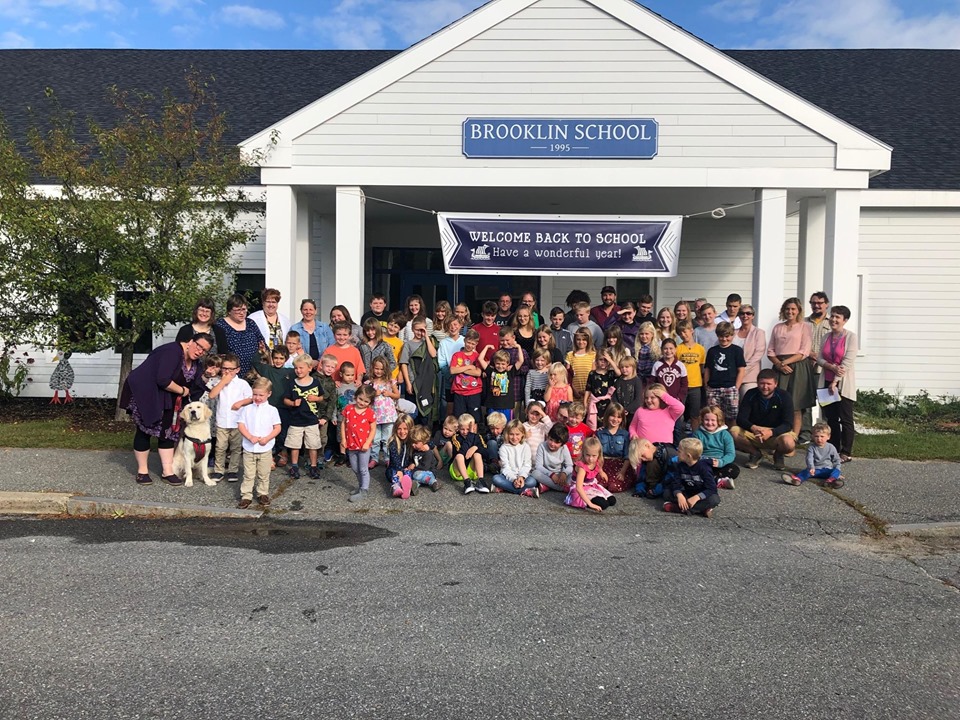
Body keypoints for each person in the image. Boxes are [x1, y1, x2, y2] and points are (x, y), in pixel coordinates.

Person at [120, 332, 212, 485]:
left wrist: (206, 378)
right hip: (147, 392)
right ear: (191, 341)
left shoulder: (196, 363)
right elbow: (162, 379)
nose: (199, 351)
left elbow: (195, 387)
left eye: (204, 350)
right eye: (198, 346)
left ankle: (167, 471)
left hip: (169, 396)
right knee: (145, 429)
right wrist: (182, 391)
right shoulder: (172, 352)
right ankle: (142, 471)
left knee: (168, 431)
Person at [815, 304, 858, 463]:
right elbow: (820, 358)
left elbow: (847, 362)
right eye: (832, 316)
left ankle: (846, 451)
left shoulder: (851, 337)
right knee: (831, 418)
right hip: (825, 381)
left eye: (837, 317)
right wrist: (830, 367)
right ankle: (833, 448)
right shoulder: (826, 337)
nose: (833, 319)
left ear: (845, 320)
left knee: (845, 418)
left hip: (843, 384)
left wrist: (835, 381)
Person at [767, 297, 815, 436]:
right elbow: (770, 350)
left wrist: (785, 363)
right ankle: (778, 434)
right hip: (779, 366)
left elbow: (804, 351)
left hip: (798, 366)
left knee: (796, 404)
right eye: (787, 309)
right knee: (778, 402)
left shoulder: (804, 327)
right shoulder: (778, 327)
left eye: (793, 309)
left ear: (798, 310)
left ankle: (794, 436)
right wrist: (779, 364)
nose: (790, 311)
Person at [732, 368, 797, 470]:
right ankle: (755, 453)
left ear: (775, 384)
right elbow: (741, 418)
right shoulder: (750, 394)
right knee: (733, 432)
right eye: (762, 383)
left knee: (789, 443)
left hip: (776, 432)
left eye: (769, 384)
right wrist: (754, 428)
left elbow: (788, 423)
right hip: (755, 431)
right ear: (757, 383)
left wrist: (771, 432)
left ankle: (778, 455)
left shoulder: (784, 396)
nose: (765, 387)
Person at [236, 377, 281, 508]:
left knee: (264, 473)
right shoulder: (247, 409)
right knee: (248, 473)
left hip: (265, 447)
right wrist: (249, 437)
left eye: (261, 395)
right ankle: (246, 495)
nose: (257, 397)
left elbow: (277, 427)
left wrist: (267, 438)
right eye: (255, 394)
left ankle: (263, 493)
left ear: (269, 394)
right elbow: (241, 425)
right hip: (249, 447)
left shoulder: (272, 410)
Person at [207, 352, 251, 484]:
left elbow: (250, 398)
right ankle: (219, 470)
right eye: (224, 368)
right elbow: (212, 395)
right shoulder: (218, 382)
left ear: (237, 370)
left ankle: (233, 470)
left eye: (230, 369)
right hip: (222, 421)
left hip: (237, 421)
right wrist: (223, 382)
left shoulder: (242, 383)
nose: (227, 371)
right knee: (220, 447)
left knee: (236, 448)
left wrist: (240, 403)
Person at [283, 353, 326, 480]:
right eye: (296, 368)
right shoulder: (292, 384)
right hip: (296, 420)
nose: (298, 370)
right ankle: (294, 466)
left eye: (301, 368)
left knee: (313, 445)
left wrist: (316, 398)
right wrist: (292, 403)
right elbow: (285, 399)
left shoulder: (315, 382)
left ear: (309, 368)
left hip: (311, 419)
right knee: (295, 444)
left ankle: (313, 466)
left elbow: (323, 397)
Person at [662, 437, 720, 518]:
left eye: (679, 451)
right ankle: (702, 509)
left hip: (700, 495)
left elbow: (712, 488)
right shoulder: (680, 465)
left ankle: (680, 509)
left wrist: (697, 497)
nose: (677, 453)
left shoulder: (704, 468)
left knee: (714, 499)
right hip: (687, 492)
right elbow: (676, 482)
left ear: (688, 456)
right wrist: (679, 494)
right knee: (667, 493)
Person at [704, 321, 746, 427]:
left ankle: (732, 439)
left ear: (732, 335)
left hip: (730, 387)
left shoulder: (737, 350)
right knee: (714, 416)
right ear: (717, 336)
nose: (724, 339)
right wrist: (707, 386)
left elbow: (741, 369)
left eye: (727, 336)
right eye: (721, 336)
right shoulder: (712, 351)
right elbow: (708, 369)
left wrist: (736, 387)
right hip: (713, 388)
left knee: (732, 417)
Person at [341, 384, 378, 503]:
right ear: (356, 396)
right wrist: (343, 439)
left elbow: (373, 429)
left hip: (363, 446)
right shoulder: (348, 409)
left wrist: (367, 443)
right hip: (351, 444)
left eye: (366, 401)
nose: (362, 402)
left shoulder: (370, 413)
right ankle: (361, 486)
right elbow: (343, 424)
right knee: (355, 468)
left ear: (370, 403)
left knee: (363, 469)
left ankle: (364, 490)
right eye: (360, 399)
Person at [782, 421, 844, 488]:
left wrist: (837, 469)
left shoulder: (831, 447)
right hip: (815, 470)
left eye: (822, 436)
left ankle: (831, 481)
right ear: (812, 436)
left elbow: (836, 460)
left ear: (828, 437)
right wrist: (811, 467)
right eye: (816, 436)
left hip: (827, 469)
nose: (819, 439)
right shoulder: (812, 447)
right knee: (806, 472)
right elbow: (809, 458)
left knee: (836, 471)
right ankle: (797, 480)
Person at [216, 294, 266, 375]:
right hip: (232, 373)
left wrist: (262, 349)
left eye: (244, 309)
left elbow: (262, 343)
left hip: (253, 373)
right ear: (229, 311)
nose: (242, 313)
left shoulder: (251, 323)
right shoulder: (221, 326)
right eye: (238, 310)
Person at [693, 405, 739, 490]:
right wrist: (704, 460)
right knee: (695, 467)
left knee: (734, 470)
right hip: (703, 462)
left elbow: (731, 454)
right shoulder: (697, 434)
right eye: (707, 420)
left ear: (719, 421)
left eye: (713, 420)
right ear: (702, 420)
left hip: (719, 462)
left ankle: (710, 479)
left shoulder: (725, 435)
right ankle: (718, 481)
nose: (710, 423)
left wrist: (720, 462)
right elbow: (694, 451)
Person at [564, 436, 615, 512]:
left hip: (591, 485)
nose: (591, 459)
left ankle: (595, 498)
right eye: (588, 455)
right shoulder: (582, 467)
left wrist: (602, 472)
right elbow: (579, 487)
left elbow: (599, 467)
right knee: (603, 504)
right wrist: (590, 504)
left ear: (598, 454)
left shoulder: (597, 461)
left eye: (594, 456)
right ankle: (586, 502)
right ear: (583, 452)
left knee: (612, 500)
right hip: (580, 488)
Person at [366, 356, 400, 468]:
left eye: (381, 369)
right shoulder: (369, 383)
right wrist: (373, 394)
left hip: (388, 415)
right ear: (372, 368)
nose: (379, 371)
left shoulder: (390, 381)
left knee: (387, 439)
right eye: (376, 368)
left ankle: (387, 458)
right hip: (374, 415)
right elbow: (364, 396)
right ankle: (374, 458)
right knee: (375, 439)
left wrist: (389, 394)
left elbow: (397, 395)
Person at [492, 420, 538, 497]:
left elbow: (527, 465)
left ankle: (505, 488)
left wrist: (521, 477)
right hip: (508, 476)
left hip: (523, 476)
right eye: (511, 434)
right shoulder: (504, 448)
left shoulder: (525, 446)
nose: (514, 437)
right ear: (507, 434)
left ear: (522, 434)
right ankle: (525, 491)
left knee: (532, 481)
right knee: (496, 479)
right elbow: (505, 467)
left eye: (517, 434)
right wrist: (514, 480)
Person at [676, 319, 706, 430]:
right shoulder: (678, 349)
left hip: (695, 385)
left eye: (685, 331)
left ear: (691, 331)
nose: (683, 335)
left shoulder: (700, 349)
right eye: (681, 333)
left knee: (695, 414)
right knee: (679, 412)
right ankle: (677, 437)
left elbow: (702, 367)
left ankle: (695, 436)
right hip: (681, 386)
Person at [732, 304, 766, 399]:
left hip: (749, 378)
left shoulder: (759, 333)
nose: (745, 316)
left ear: (753, 316)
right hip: (731, 377)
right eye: (742, 313)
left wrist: (741, 371)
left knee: (748, 406)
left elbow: (758, 355)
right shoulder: (732, 332)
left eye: (748, 313)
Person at [290, 299, 335, 369]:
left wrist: (319, 361)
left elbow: (331, 346)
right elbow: (292, 347)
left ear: (315, 311)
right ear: (301, 311)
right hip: (302, 366)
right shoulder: (294, 328)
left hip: (323, 367)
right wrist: (309, 362)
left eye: (311, 309)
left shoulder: (324, 327)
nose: (308, 312)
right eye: (305, 309)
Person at [596, 402, 629, 490]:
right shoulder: (600, 433)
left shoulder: (625, 434)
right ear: (607, 416)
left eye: (619, 417)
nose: (615, 419)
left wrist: (622, 472)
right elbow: (597, 455)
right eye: (612, 416)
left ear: (622, 419)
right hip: (603, 465)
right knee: (600, 485)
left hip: (619, 466)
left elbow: (627, 456)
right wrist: (600, 471)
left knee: (613, 487)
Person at [452, 414, 488, 494]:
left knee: (477, 454)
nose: (465, 432)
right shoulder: (456, 438)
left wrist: (475, 448)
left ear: (473, 427)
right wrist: (470, 435)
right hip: (458, 471)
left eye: (468, 429)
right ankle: (467, 482)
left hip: (472, 471)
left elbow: (486, 452)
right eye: (462, 429)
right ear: (458, 428)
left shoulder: (478, 436)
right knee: (459, 456)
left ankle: (481, 481)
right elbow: (462, 452)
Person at [532, 423, 573, 492]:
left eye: (556, 442)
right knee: (535, 473)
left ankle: (548, 486)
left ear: (562, 444)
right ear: (548, 436)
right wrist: (551, 474)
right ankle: (562, 488)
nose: (552, 444)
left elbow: (569, 465)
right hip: (546, 474)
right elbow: (538, 466)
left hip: (560, 475)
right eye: (551, 439)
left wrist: (564, 473)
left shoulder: (564, 448)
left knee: (573, 474)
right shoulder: (542, 446)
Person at [386, 414, 415, 500]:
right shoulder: (393, 442)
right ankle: (396, 487)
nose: (402, 432)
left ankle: (407, 488)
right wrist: (399, 470)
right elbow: (395, 459)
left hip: (406, 468)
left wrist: (413, 463)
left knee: (408, 474)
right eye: (399, 429)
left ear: (410, 429)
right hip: (394, 468)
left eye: (405, 429)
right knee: (394, 474)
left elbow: (427, 442)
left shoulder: (412, 441)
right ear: (395, 429)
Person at [584, 351, 615, 430]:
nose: (603, 362)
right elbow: (588, 388)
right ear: (597, 360)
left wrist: (610, 360)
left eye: (605, 360)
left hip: (608, 403)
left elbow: (619, 373)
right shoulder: (592, 374)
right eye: (601, 360)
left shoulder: (611, 373)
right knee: (595, 424)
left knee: (607, 422)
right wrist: (585, 402)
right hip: (596, 403)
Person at [359, 317, 398, 382]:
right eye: (367, 330)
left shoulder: (384, 345)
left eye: (373, 330)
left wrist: (383, 373)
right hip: (365, 379)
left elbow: (393, 363)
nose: (370, 332)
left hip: (380, 381)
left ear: (378, 330)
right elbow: (358, 361)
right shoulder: (361, 345)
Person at [566, 327, 596, 400]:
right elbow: (567, 376)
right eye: (578, 339)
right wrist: (574, 390)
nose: (581, 342)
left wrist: (587, 391)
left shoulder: (593, 355)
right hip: (574, 393)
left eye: (584, 340)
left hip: (588, 393)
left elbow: (594, 375)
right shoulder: (570, 355)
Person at [410, 424, 441, 492]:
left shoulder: (428, 453)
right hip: (419, 472)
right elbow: (414, 460)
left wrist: (413, 469)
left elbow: (425, 467)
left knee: (415, 475)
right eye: (412, 442)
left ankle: (433, 482)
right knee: (415, 477)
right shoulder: (415, 451)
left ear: (424, 442)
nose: (413, 445)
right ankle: (414, 487)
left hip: (428, 472)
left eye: (416, 443)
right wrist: (412, 464)